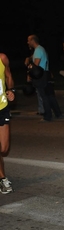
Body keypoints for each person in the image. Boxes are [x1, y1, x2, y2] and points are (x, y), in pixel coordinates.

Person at [26, 35, 63, 122]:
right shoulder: (41, 49)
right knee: (50, 95)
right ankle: (58, 113)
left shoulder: (38, 50)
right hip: (45, 74)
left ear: (32, 40)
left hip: (40, 76)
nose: (27, 42)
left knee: (44, 96)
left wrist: (29, 73)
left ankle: (47, 116)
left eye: (28, 40)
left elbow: (36, 65)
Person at [0, 53, 15, 194]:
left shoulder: (2, 58)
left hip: (2, 108)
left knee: (4, 149)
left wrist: (10, 90)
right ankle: (2, 178)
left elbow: (9, 76)